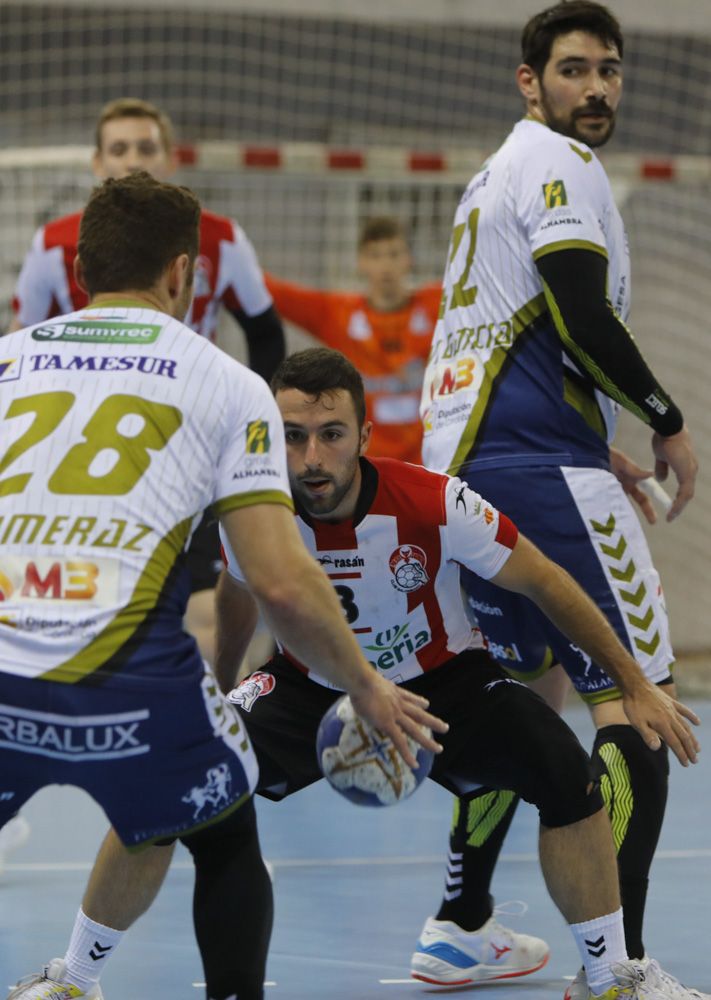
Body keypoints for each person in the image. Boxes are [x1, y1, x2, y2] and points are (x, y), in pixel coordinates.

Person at [34, 347, 702, 1000]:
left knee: (562, 772)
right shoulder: (254, 514)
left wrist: (634, 682)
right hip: (306, 687)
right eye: (291, 437)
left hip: (447, 685)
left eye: (330, 435)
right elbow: (238, 596)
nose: (311, 458)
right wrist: (217, 687)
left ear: (364, 435)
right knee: (162, 786)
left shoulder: (435, 502)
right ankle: (74, 978)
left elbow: (546, 582)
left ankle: (611, 978)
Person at [1, 180, 444, 1000]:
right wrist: (367, 684)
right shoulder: (227, 380)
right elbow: (278, 579)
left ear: (76, 265)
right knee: (223, 829)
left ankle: (69, 981)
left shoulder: (6, 359)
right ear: (184, 273)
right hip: (129, 681)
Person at [418, 3, 702, 997]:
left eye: (611, 71)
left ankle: (459, 924)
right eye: (575, 69)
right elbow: (579, 313)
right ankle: (615, 968)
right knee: (637, 699)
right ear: (529, 81)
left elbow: (521, 336)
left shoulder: (491, 177)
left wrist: (600, 443)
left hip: (474, 475)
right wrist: (663, 420)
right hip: (540, 472)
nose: (598, 88)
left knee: (521, 700)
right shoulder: (560, 166)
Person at [7, 96, 286, 667]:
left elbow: (266, 333)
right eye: (118, 149)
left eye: (145, 147)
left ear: (171, 158)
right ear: (95, 162)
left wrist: (244, 418)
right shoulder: (52, 244)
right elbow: (24, 343)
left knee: (202, 600)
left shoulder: (222, 238)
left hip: (184, 425)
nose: (133, 160)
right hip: (85, 444)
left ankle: (205, 709)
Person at [265, 215, 440, 464]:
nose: (385, 265)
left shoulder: (437, 306)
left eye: (394, 254)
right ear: (361, 262)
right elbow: (278, 294)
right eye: (375, 255)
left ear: (408, 260)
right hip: (369, 464)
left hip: (428, 461)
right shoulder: (340, 315)